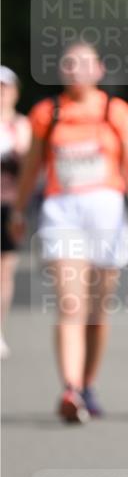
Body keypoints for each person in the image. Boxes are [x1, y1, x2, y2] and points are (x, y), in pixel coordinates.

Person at [10, 40, 128, 422]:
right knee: (70, 305)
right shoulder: (48, 113)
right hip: (62, 211)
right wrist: (18, 210)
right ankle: (70, 389)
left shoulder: (115, 111)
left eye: (83, 63)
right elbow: (31, 168)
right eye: (69, 64)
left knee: (96, 311)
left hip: (106, 211)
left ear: (99, 70)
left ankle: (88, 384)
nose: (75, 70)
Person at [0, 66, 32, 358]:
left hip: (8, 204)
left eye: (4, 88)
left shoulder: (22, 126)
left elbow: (30, 167)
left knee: (5, 270)